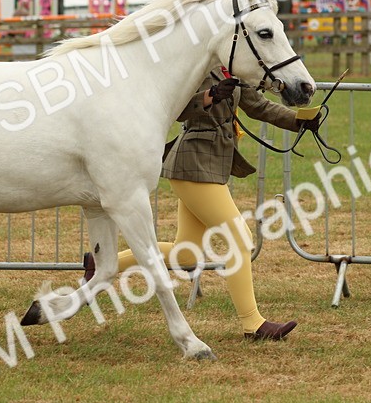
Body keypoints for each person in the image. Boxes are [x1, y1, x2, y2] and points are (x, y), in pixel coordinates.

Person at [86, 72, 310, 341]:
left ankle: (101, 263)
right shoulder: (197, 67)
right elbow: (177, 109)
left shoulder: (233, 70)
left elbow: (258, 106)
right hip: (192, 162)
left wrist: (301, 121)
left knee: (185, 256)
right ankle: (253, 324)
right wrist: (209, 95)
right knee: (240, 238)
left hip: (213, 165)